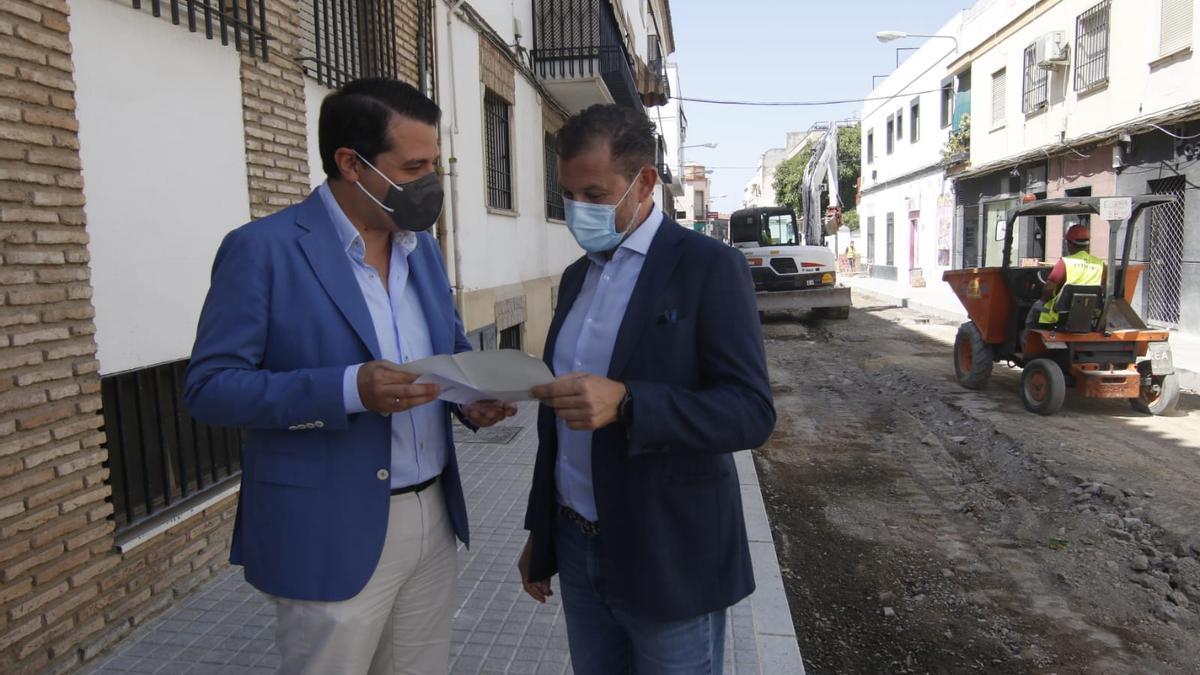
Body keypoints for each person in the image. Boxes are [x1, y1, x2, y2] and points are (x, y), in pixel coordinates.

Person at [183, 78, 515, 674]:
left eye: (435, 164)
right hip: (329, 528)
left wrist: (469, 400)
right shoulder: (264, 249)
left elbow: (450, 348)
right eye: (414, 166)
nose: (430, 182)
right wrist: (347, 390)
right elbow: (211, 388)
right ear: (351, 164)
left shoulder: (423, 248)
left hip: (434, 513)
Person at [518, 104, 776, 674]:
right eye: (569, 194)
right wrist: (544, 532)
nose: (580, 209)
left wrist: (630, 402)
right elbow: (557, 426)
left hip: (670, 555)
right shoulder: (577, 275)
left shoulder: (708, 267)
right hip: (580, 542)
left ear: (645, 183)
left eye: (594, 193)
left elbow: (751, 412)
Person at [1024, 223, 1105, 338]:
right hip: (1088, 314)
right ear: (1087, 245)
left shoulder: (1065, 263)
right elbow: (1103, 289)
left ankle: (1027, 344)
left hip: (1061, 314)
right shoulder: (1100, 264)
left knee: (1034, 313)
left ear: (1069, 243)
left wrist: (1042, 301)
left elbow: (1049, 288)